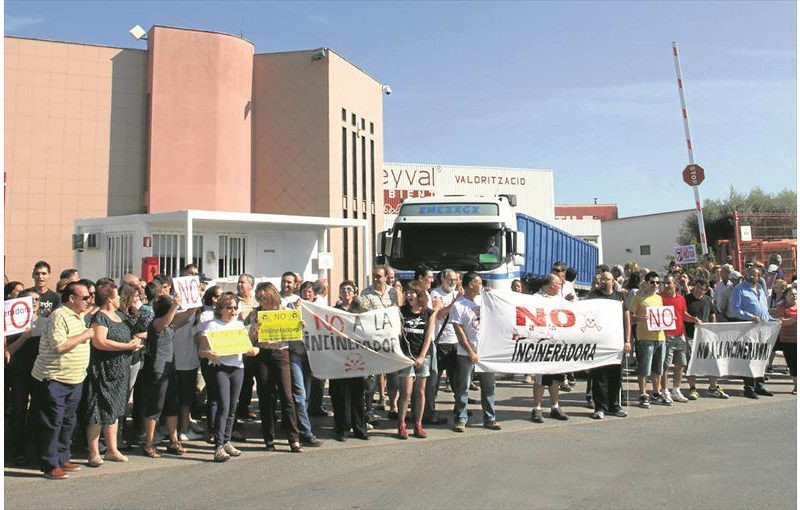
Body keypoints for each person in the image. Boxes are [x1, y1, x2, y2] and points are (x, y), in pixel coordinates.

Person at [31, 281, 94, 480]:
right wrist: (85, 335)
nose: (88, 301)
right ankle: (50, 465)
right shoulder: (59, 316)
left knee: (69, 420)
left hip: (75, 378)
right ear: (71, 299)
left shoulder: (79, 315)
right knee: (53, 422)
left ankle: (62, 457)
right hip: (54, 378)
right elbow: (59, 346)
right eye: (84, 297)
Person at [81, 282, 143, 467]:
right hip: (103, 370)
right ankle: (93, 452)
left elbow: (135, 328)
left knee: (114, 411)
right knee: (98, 411)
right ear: (109, 298)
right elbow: (99, 342)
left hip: (119, 370)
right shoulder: (100, 317)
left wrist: (134, 341)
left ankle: (112, 449)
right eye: (116, 296)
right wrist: (127, 346)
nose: (119, 299)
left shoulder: (118, 316)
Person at [199, 293, 261, 461]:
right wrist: (208, 353)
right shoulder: (212, 325)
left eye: (235, 307)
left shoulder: (239, 325)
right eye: (229, 308)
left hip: (237, 368)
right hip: (220, 369)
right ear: (221, 309)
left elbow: (249, 346)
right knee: (223, 406)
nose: (233, 311)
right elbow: (201, 351)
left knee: (233, 407)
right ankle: (218, 445)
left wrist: (254, 349)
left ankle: (226, 440)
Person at [248, 282, 305, 450]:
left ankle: (294, 439)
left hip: (281, 353)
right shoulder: (256, 313)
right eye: (259, 299)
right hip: (263, 354)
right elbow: (250, 340)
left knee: (287, 396)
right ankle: (268, 438)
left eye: (264, 298)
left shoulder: (285, 311)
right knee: (266, 396)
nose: (261, 302)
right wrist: (255, 330)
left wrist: (299, 326)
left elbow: (295, 334)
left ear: (272, 296)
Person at [140, 294, 196, 458]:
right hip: (158, 370)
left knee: (173, 405)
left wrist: (194, 301)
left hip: (170, 368)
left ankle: (173, 440)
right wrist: (175, 306)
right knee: (155, 406)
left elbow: (187, 315)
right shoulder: (157, 323)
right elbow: (164, 322)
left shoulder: (170, 324)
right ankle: (149, 443)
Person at [451, 272, 500, 432]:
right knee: (463, 387)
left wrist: (493, 298)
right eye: (479, 282)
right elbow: (459, 332)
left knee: (488, 387)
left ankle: (490, 418)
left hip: (486, 353)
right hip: (466, 354)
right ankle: (461, 418)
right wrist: (470, 351)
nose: (481, 285)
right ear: (471, 284)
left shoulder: (483, 301)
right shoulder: (459, 305)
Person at [396, 281, 439, 439]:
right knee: (406, 391)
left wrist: (422, 356)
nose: (408, 296)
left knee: (420, 391)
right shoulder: (401, 312)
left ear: (419, 294)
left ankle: (418, 424)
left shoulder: (428, 313)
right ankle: (401, 423)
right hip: (406, 356)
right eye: (407, 293)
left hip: (423, 356)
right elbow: (398, 333)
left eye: (412, 293)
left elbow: (428, 337)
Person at [586, 272, 631, 419]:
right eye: (603, 279)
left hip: (616, 342)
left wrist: (628, 340)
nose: (605, 281)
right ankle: (600, 407)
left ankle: (615, 406)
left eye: (608, 279)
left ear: (613, 281)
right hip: (599, 343)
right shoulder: (593, 296)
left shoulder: (620, 297)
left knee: (615, 376)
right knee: (598, 376)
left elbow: (627, 319)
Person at [329, 280, 370, 442]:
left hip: (357, 358)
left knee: (358, 395)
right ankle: (342, 429)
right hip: (338, 359)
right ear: (339, 292)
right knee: (340, 395)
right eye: (343, 289)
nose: (346, 292)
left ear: (354, 292)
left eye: (349, 289)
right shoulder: (332, 311)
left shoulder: (361, 310)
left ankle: (360, 428)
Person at [7, 289, 44, 465]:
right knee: (19, 409)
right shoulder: (12, 322)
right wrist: (25, 336)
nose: (34, 302)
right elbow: (10, 350)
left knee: (38, 409)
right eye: (30, 300)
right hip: (19, 371)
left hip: (40, 371)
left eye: (37, 299)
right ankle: (19, 448)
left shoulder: (45, 320)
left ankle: (35, 445)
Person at [361, 265, 401, 422]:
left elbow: (399, 312)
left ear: (386, 277)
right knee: (371, 377)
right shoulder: (366, 293)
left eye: (379, 276)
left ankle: (394, 406)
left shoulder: (394, 292)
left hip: (390, 341)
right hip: (373, 342)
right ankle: (369, 409)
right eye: (374, 276)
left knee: (393, 376)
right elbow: (363, 315)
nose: (376, 279)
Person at [286, 281, 323, 446]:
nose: (307, 294)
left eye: (310, 292)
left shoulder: (320, 309)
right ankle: (305, 432)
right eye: (304, 291)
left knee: (305, 395)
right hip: (296, 354)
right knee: (299, 394)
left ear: (314, 294)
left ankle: (299, 424)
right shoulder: (290, 306)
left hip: (312, 355)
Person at [530, 274, 570, 422]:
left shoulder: (560, 300)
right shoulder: (535, 299)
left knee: (556, 378)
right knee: (541, 378)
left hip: (558, 343)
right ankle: (537, 408)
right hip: (542, 344)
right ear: (552, 284)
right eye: (559, 284)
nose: (560, 286)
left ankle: (555, 406)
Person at [730, 267, 775, 399]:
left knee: (760, 357)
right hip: (748, 329)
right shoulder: (739, 289)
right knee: (749, 358)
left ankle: (759, 385)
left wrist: (773, 320)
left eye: (753, 275)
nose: (750, 277)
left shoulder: (761, 290)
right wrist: (750, 316)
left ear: (758, 277)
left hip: (763, 330)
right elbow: (735, 309)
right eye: (748, 274)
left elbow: (764, 311)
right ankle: (749, 388)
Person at [424, 268, 460, 425]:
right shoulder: (435, 294)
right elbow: (439, 314)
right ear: (442, 279)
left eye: (455, 279)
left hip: (455, 342)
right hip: (439, 343)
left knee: (457, 381)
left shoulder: (458, 294)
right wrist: (454, 302)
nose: (453, 282)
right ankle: (429, 412)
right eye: (450, 279)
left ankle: (460, 408)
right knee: (433, 382)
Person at [684, 278, 728, 399]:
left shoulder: (708, 300)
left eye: (702, 289)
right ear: (694, 287)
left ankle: (713, 387)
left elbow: (712, 314)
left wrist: (713, 328)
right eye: (697, 287)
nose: (699, 290)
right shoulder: (686, 299)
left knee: (712, 361)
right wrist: (693, 319)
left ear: (706, 290)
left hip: (706, 336)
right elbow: (682, 314)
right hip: (690, 335)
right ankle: (692, 388)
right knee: (691, 363)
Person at [630, 272, 668, 408]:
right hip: (645, 337)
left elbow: (663, 316)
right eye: (652, 282)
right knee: (644, 367)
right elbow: (630, 317)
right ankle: (643, 394)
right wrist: (640, 319)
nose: (655, 285)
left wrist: (669, 320)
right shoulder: (638, 298)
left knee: (658, 368)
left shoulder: (659, 298)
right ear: (646, 282)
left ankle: (656, 393)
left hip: (660, 336)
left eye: (658, 282)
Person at [193, 286, 222, 443]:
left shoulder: (227, 314)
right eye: (220, 295)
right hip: (209, 358)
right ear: (214, 298)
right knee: (213, 394)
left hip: (225, 358)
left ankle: (223, 428)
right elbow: (200, 338)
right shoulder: (205, 315)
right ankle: (212, 429)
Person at [659, 275, 691, 404]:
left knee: (680, 364)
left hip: (680, 335)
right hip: (667, 336)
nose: (666, 285)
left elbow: (684, 314)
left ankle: (676, 389)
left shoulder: (681, 298)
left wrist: (694, 319)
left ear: (675, 284)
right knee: (665, 365)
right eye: (664, 283)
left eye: (668, 283)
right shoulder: (660, 298)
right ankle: (664, 390)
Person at [235, 273, 259, 423]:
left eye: (242, 283)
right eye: (238, 282)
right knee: (240, 379)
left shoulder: (257, 303)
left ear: (251, 285)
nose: (239, 285)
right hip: (238, 345)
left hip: (254, 345)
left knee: (249, 379)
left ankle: (245, 407)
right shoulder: (234, 301)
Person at [774, 287, 797, 394]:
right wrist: (795, 319)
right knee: (793, 364)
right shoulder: (781, 308)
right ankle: (797, 386)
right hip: (788, 340)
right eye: (791, 294)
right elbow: (781, 322)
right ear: (786, 296)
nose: (794, 296)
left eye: (796, 294)